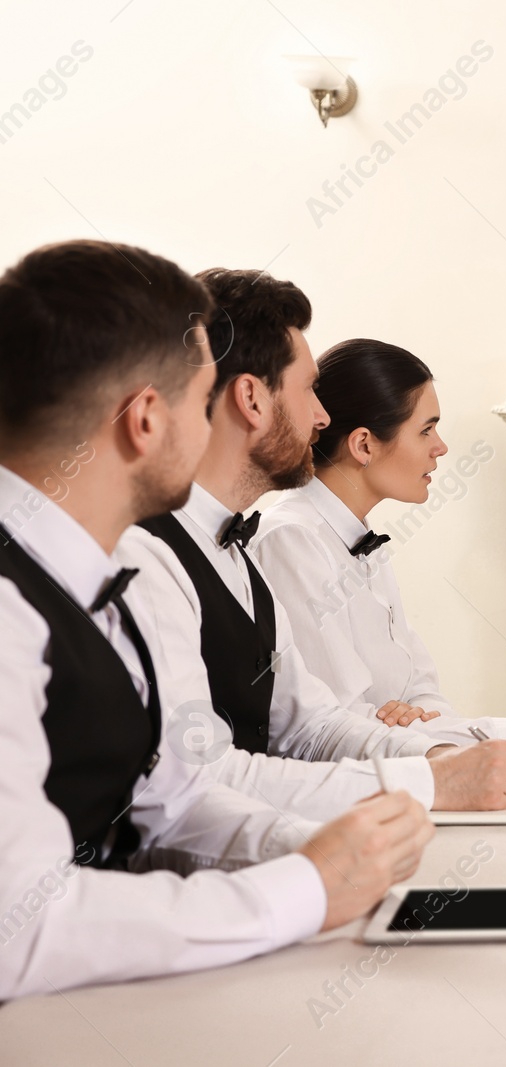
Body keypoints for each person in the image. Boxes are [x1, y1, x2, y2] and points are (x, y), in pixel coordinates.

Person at [0, 239, 431, 998]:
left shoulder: (100, 574)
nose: (211, 433)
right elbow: (20, 925)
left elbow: (172, 798)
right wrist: (298, 890)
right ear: (144, 420)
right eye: (201, 404)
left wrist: (325, 853)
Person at [116, 269, 506, 816]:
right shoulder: (149, 553)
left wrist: (439, 754)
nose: (322, 417)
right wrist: (430, 783)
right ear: (252, 398)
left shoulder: (237, 553)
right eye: (310, 389)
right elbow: (194, 782)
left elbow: (310, 726)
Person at [251, 337, 506, 747]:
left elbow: (423, 692)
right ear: (364, 444)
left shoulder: (362, 541)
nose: (441, 447)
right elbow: (336, 722)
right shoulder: (290, 540)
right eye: (426, 430)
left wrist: (412, 718)